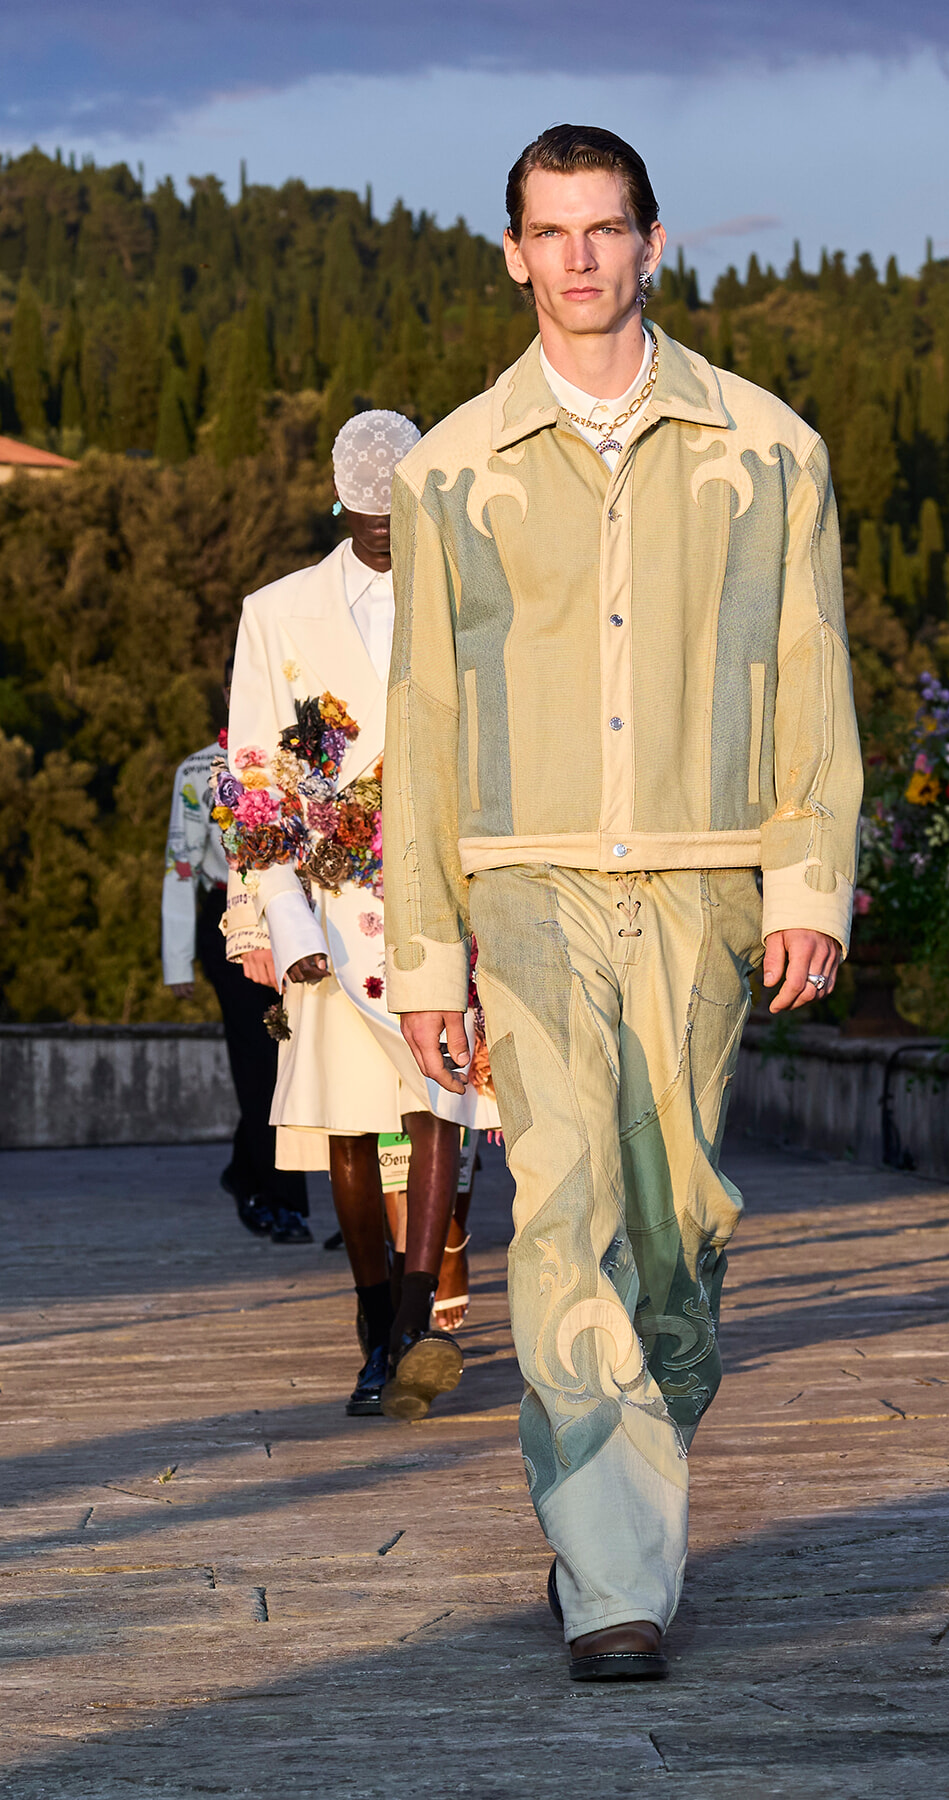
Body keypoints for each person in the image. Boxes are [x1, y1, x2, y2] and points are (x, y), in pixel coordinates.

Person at [383, 125, 862, 1681]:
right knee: (565, 1206)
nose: (579, 258)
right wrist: (426, 951)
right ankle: (613, 1581)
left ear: (655, 241)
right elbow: (425, 720)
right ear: (512, 253)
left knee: (675, 1235)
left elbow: (810, 676)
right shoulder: (451, 469)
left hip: (706, 879)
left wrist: (807, 881)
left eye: (605, 228)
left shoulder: (768, 448)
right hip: (526, 885)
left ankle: (622, 1511)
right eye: (551, 231)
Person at [219, 410, 499, 1419]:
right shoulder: (276, 612)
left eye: (400, 515)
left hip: (442, 889)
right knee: (348, 1119)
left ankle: (419, 1325)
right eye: (370, 517)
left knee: (438, 1102)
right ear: (339, 506)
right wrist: (274, 920)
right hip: (329, 902)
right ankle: (375, 1329)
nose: (386, 533)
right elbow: (255, 774)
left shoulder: (472, 593)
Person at [162, 668, 311, 1241]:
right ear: (226, 694)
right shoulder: (198, 770)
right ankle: (281, 1198)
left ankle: (249, 1172)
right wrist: (177, 960)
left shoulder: (301, 760)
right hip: (230, 921)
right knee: (259, 1059)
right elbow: (180, 868)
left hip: (302, 918)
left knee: (299, 1057)